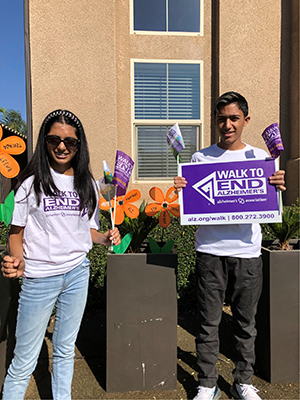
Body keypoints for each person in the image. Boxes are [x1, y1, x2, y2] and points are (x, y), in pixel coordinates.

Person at [1, 109, 121, 400]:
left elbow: (86, 233)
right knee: (24, 361)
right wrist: (16, 262)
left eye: (70, 141)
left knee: (66, 350)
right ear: (45, 142)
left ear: (80, 146)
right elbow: (15, 235)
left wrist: (105, 238)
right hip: (40, 279)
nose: (62, 146)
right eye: (54, 139)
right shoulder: (30, 185)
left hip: (77, 274)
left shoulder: (88, 185)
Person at [174, 92, 286, 400]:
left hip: (247, 253)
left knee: (245, 324)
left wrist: (276, 187)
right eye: (221, 118)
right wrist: (183, 190)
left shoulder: (262, 159)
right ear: (214, 121)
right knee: (208, 324)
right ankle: (207, 383)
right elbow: (192, 205)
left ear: (245, 121)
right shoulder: (199, 159)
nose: (227, 124)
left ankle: (242, 382)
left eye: (234, 118)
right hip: (210, 251)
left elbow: (270, 204)